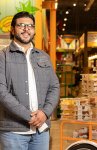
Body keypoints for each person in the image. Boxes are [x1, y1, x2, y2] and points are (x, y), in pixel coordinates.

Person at [0, 11, 60, 150]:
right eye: (21, 25)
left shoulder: (43, 56)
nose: (26, 29)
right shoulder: (3, 56)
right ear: (12, 29)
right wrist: (30, 116)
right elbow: (1, 92)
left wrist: (45, 113)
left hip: (41, 131)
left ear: (34, 30)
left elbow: (54, 87)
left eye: (30, 26)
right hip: (13, 131)